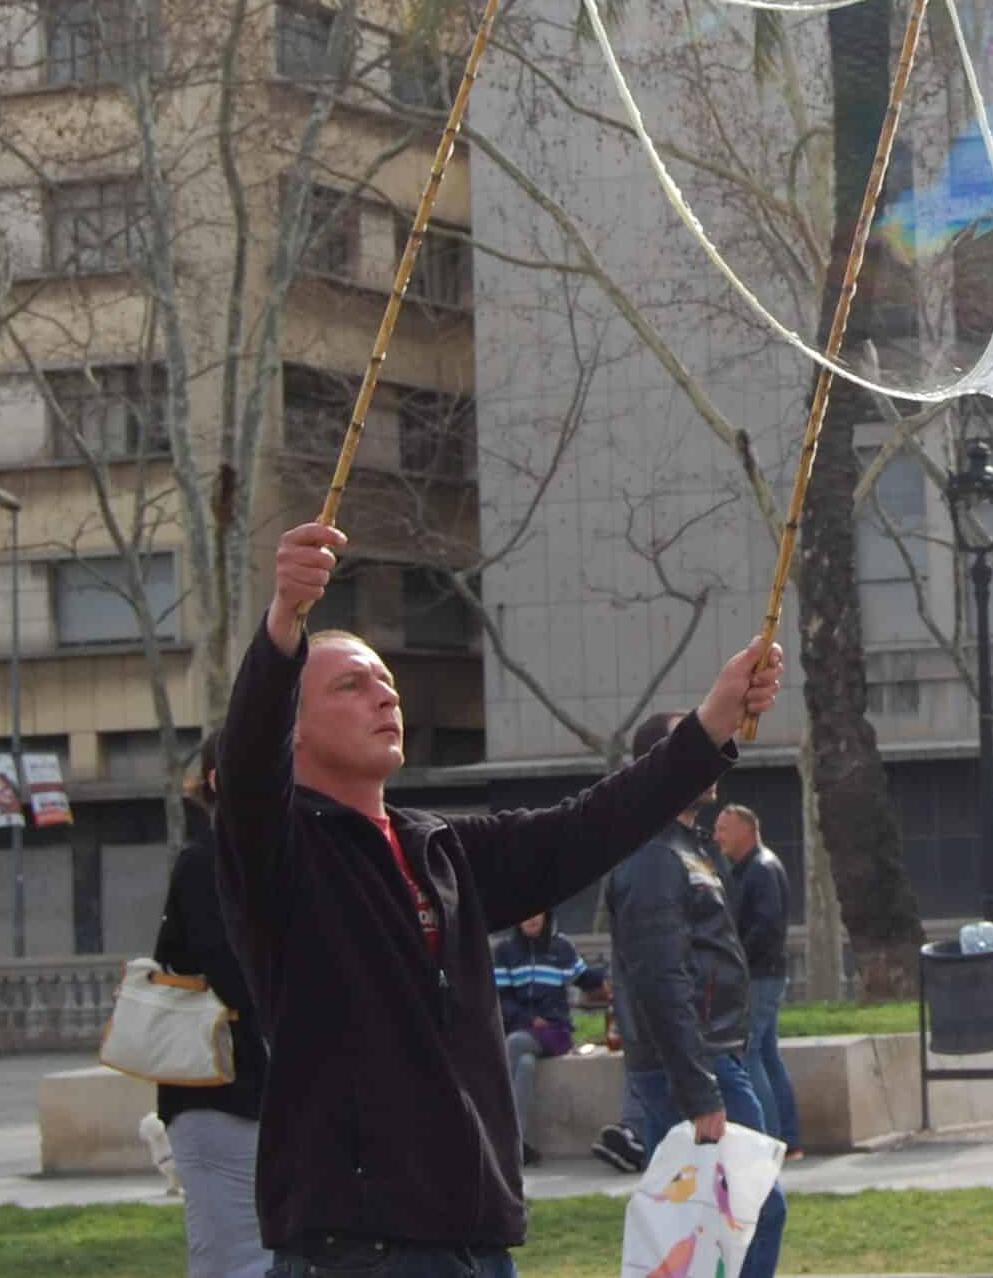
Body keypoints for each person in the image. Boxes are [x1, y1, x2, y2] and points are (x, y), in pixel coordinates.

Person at [217, 520, 779, 1277]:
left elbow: (586, 828)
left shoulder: (439, 847)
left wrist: (711, 723)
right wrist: (284, 622)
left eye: (386, 681)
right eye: (352, 685)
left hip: (477, 1243)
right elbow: (247, 766)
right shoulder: (280, 854)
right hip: (357, 1248)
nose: (384, 695)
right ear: (293, 729)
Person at [608, 712, 787, 1278]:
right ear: (663, 761)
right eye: (701, 741)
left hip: (710, 1056)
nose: (717, 752)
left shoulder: (690, 849)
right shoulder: (653, 855)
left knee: (734, 1216)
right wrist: (699, 1090)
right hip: (690, 1064)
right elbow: (660, 979)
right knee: (728, 1216)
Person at [153, 741, 269, 1278]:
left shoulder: (249, 863)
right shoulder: (206, 865)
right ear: (220, 781)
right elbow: (232, 973)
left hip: (251, 1092)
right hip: (217, 1092)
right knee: (236, 1257)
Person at [713, 803, 801, 1159]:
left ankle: (768, 1142)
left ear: (746, 832)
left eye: (723, 829)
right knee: (766, 1053)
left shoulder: (760, 870)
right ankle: (788, 1140)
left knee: (748, 1054)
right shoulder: (751, 868)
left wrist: (735, 962)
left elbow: (765, 927)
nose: (717, 835)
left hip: (757, 976)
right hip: (764, 973)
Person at [494, 908, 604, 1167]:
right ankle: (519, 1144)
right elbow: (503, 999)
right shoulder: (505, 952)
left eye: (537, 913)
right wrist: (529, 1021)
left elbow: (586, 979)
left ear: (547, 917)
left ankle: (500, 1136)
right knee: (525, 1063)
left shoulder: (562, 948)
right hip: (522, 1029)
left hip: (556, 1031)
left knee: (514, 1044)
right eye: (525, 913)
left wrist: (611, 975)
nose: (531, 918)